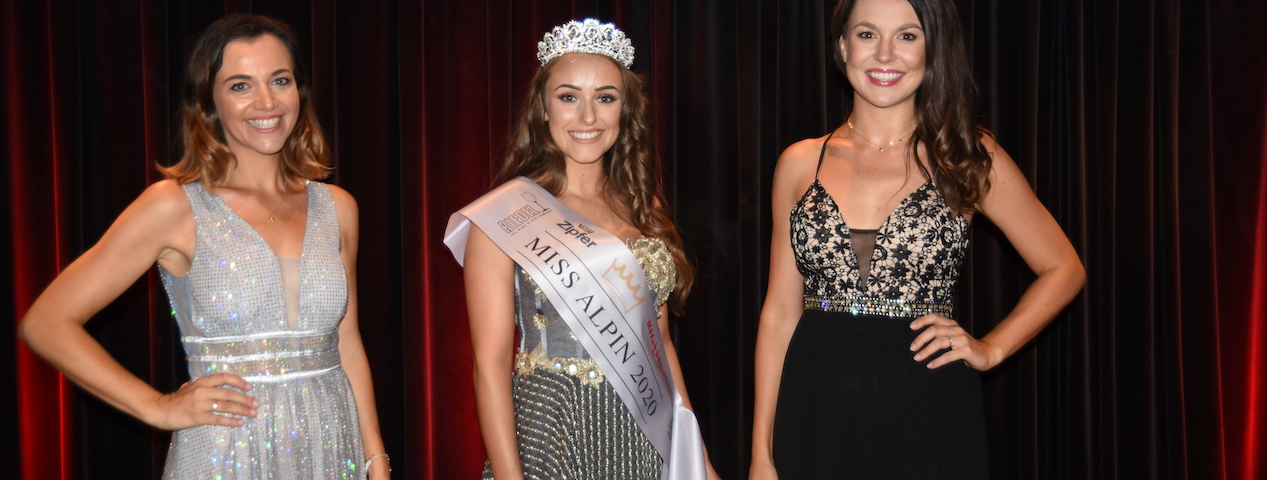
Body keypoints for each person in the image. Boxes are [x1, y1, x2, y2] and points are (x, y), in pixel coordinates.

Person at [18, 14, 389, 479]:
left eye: (280, 80)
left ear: (300, 91)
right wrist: (157, 406)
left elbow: (346, 343)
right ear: (209, 102)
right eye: (240, 86)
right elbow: (46, 322)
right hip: (225, 452)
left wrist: (376, 459)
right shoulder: (175, 207)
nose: (267, 101)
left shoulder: (338, 207)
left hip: (331, 448)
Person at [750, 0, 1086, 478]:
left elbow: (1063, 268)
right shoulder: (799, 163)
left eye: (907, 36)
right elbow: (780, 314)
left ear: (932, 49)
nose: (885, 54)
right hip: (814, 409)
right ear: (843, 46)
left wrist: (991, 348)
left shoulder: (965, 155)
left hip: (928, 407)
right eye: (867, 34)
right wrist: (760, 453)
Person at [443, 18, 719, 480]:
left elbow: (661, 347)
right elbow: (488, 367)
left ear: (625, 111)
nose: (588, 117)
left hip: (641, 432)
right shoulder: (506, 215)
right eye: (569, 97)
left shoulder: (644, 207)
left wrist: (699, 460)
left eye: (605, 98)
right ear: (543, 110)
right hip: (552, 430)